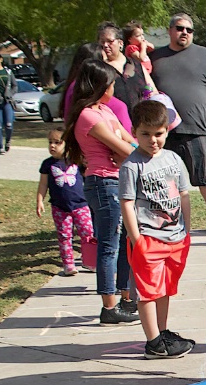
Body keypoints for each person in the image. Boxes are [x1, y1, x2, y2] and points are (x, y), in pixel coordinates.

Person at [63, 59, 139, 326]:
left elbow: (129, 140)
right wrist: (127, 150)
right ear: (98, 85)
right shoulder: (88, 116)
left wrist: (127, 148)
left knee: (125, 243)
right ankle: (109, 306)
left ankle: (125, 297)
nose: (114, 88)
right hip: (103, 183)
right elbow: (125, 148)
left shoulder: (105, 111)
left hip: (117, 181)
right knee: (109, 245)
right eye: (111, 83)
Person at [120, 100, 196, 360]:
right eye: (145, 134)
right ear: (134, 132)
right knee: (147, 292)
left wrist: (187, 229)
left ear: (167, 131)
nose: (153, 140)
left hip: (175, 238)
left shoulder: (173, 159)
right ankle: (153, 342)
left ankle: (162, 333)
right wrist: (136, 238)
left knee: (164, 289)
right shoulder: (132, 166)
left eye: (158, 134)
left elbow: (184, 194)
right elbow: (127, 203)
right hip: (149, 239)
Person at [151, 13, 206, 234]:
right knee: (165, 178)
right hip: (163, 131)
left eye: (189, 29)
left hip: (196, 128)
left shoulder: (204, 55)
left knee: (205, 175)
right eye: (179, 28)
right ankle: (168, 217)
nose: (184, 32)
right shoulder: (155, 57)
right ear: (170, 30)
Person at [36, 126, 94, 277]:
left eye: (57, 142)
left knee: (87, 233)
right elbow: (43, 184)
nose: (52, 146)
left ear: (67, 144)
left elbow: (88, 177)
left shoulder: (77, 160)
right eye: (50, 142)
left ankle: (89, 260)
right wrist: (40, 200)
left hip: (81, 205)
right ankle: (68, 264)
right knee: (64, 235)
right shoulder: (47, 164)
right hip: (60, 207)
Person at [98, 21, 154, 135]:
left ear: (120, 43)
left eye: (109, 41)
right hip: (115, 131)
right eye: (102, 42)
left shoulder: (136, 65)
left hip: (143, 128)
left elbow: (153, 91)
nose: (105, 45)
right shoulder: (99, 70)